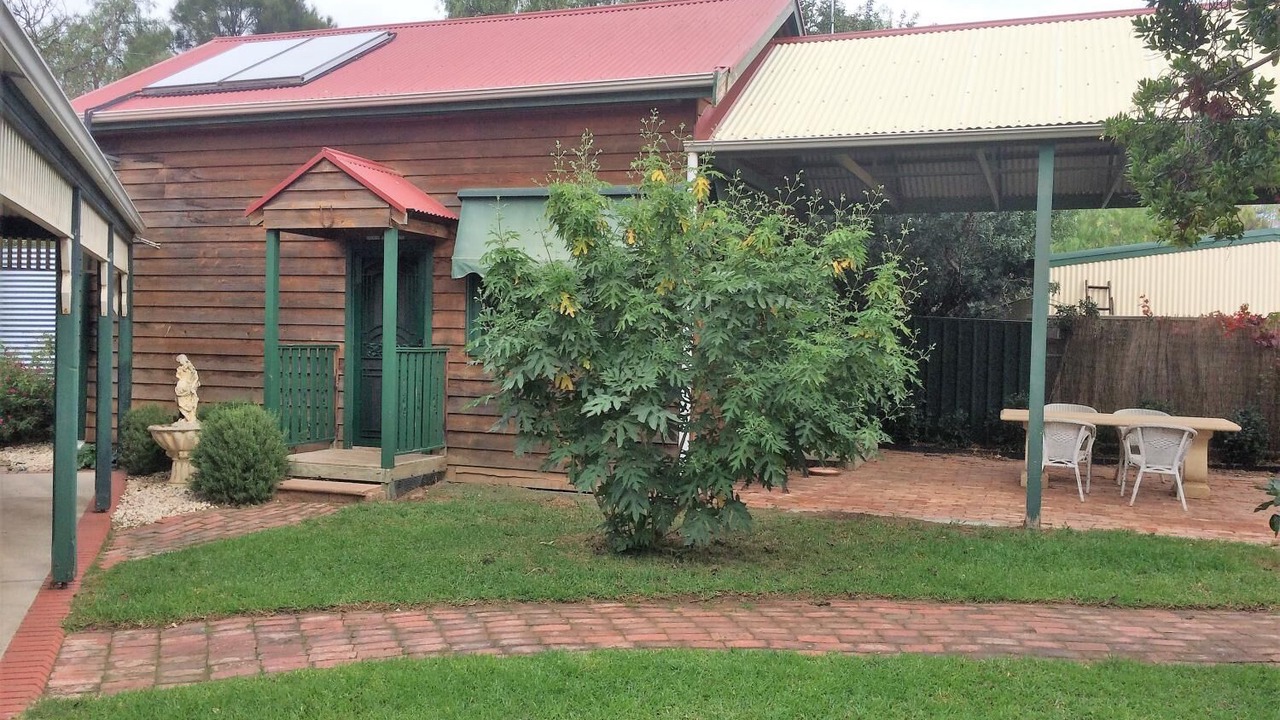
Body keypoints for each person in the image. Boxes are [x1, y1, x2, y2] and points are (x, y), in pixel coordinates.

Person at [175, 354, 200, 424]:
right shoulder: (180, 368)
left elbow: (195, 377)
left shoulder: (190, 367)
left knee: (187, 403)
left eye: (180, 361)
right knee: (180, 402)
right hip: (181, 388)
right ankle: (187, 418)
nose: (180, 363)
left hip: (187, 387)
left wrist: (193, 386)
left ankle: (190, 418)